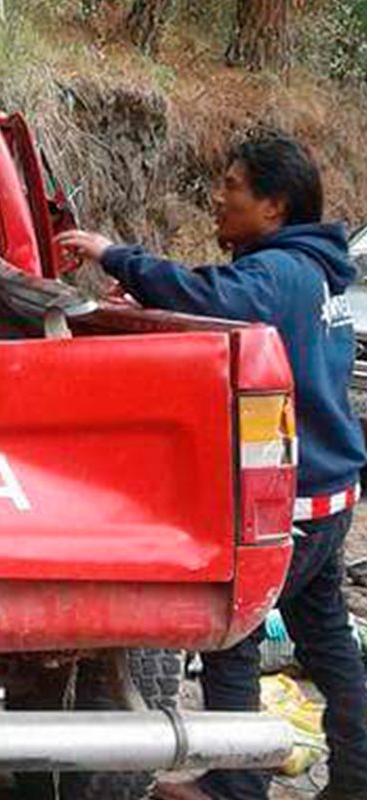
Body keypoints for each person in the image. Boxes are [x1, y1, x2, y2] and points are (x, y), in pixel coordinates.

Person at [57, 132, 367, 800]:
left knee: (233, 633)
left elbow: (215, 295)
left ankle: (235, 786)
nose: (217, 200)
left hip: (295, 503)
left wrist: (116, 255)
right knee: (330, 642)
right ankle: (354, 778)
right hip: (330, 491)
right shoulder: (316, 273)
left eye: (232, 188)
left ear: (274, 205)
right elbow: (231, 309)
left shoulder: (278, 275)